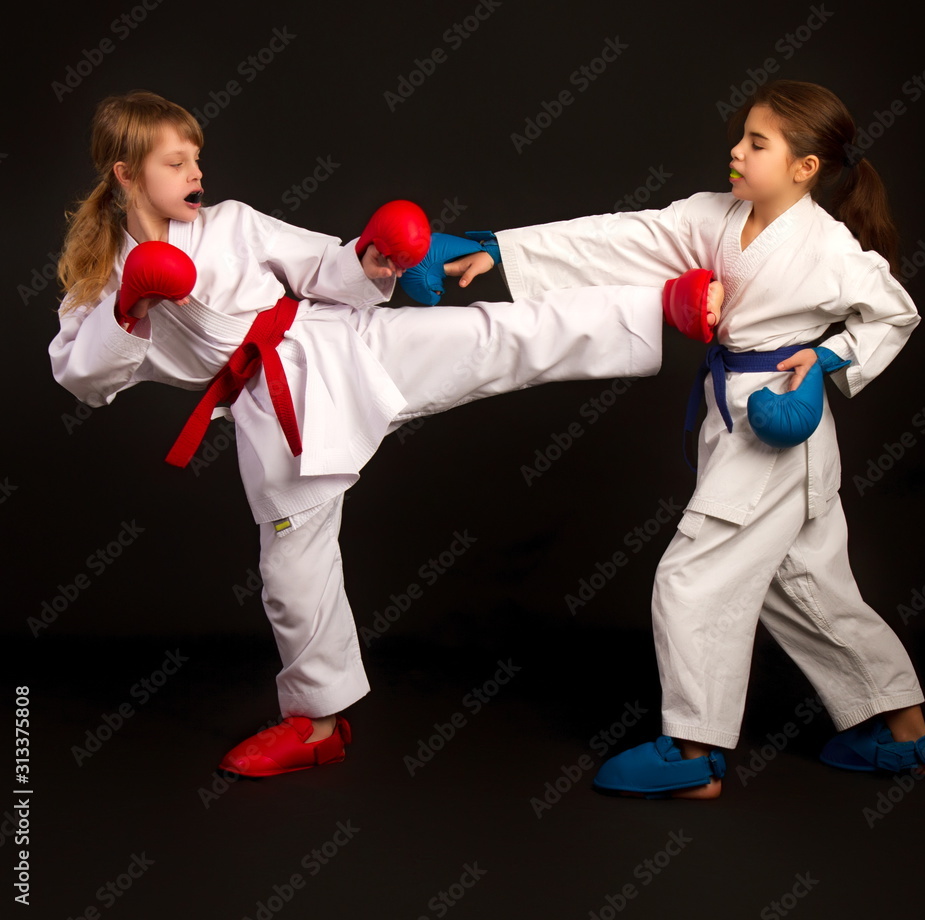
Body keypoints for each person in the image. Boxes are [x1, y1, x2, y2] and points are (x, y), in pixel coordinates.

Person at [50, 90, 723, 778]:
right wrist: (128, 306)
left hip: (340, 344)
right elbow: (81, 376)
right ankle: (316, 725)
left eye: (196, 158)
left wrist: (371, 259)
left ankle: (660, 306)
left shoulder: (233, 223)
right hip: (276, 411)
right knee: (293, 569)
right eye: (175, 162)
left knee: (489, 335)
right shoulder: (106, 278)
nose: (196, 173)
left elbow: (321, 267)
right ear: (126, 174)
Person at [433, 79, 925, 798]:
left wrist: (827, 356)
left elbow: (894, 312)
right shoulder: (715, 216)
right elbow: (618, 237)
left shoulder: (828, 247)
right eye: (740, 137)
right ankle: (906, 737)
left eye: (756, 143)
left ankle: (693, 752)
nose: (735, 151)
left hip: (776, 427)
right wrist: (502, 250)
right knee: (806, 586)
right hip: (737, 415)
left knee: (691, 578)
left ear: (804, 167)